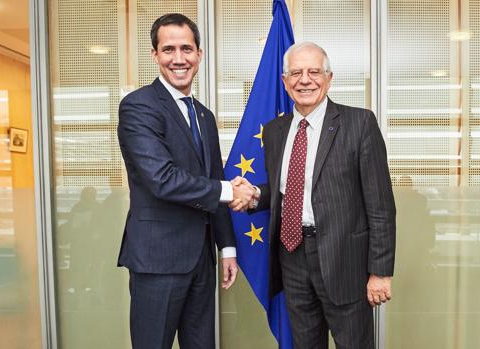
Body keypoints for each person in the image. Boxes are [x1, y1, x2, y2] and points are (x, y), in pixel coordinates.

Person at [231, 41, 396, 348]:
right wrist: (254, 194)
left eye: (313, 72)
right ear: (284, 81)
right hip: (292, 257)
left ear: (328, 78)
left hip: (344, 262)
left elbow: (381, 206)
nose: (304, 80)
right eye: (296, 73)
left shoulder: (359, 124)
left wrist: (381, 272)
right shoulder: (275, 130)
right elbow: (288, 189)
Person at [117, 13, 252, 349]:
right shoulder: (138, 107)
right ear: (155, 55)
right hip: (157, 261)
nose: (179, 59)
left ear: (199, 54)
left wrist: (228, 248)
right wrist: (229, 190)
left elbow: (214, 179)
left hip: (201, 262)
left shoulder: (203, 115)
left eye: (186, 49)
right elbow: (161, 179)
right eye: (168, 50)